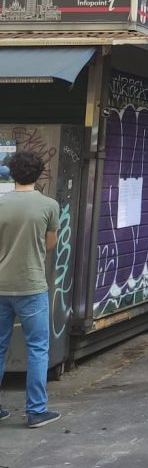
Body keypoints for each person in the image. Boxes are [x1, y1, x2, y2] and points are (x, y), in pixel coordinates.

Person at [0, 152, 60, 427]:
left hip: (1, 286)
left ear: (12, 173)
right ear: (39, 174)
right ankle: (36, 411)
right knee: (37, 348)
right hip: (32, 286)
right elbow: (50, 244)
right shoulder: (49, 205)